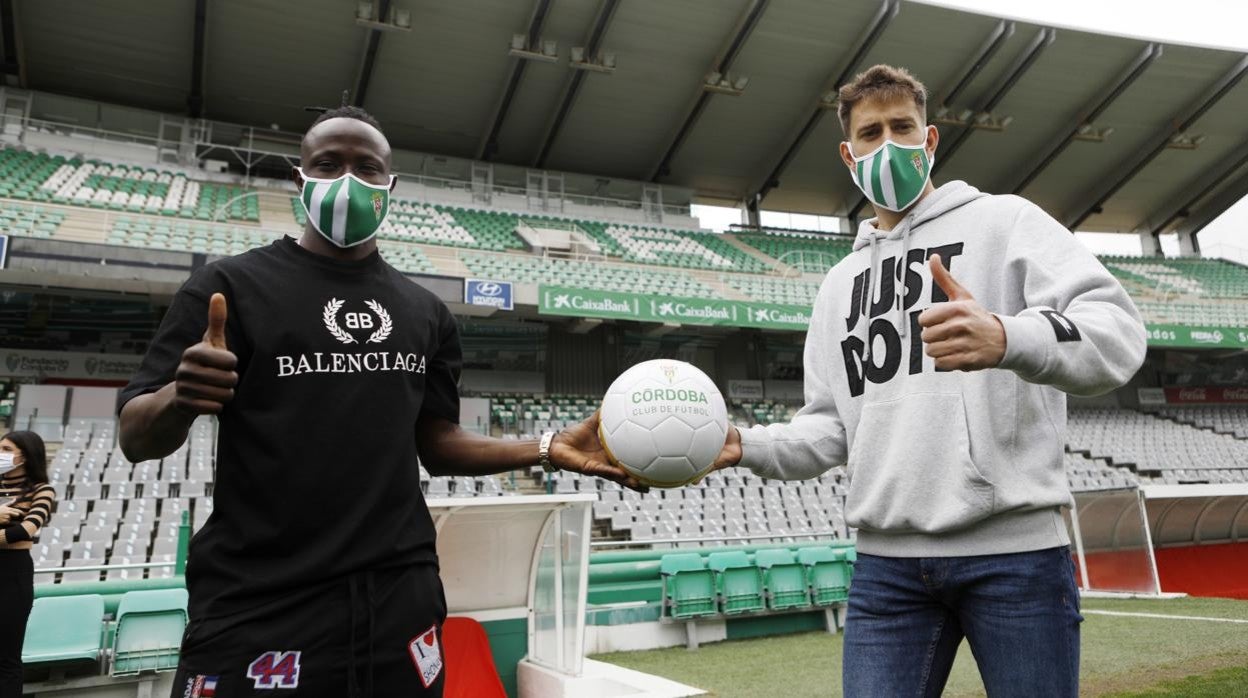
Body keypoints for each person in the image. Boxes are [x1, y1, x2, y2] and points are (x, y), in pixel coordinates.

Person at [117, 106, 639, 698]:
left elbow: (436, 444)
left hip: (400, 600)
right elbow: (136, 437)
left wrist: (543, 447)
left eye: (366, 168)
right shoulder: (228, 288)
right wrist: (180, 398)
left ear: (390, 186)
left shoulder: (425, 312)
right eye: (328, 164)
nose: (348, 180)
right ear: (300, 179)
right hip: (259, 599)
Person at [712, 65, 1146, 696]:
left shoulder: (1005, 222)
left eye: (901, 127)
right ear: (848, 152)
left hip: (1015, 558)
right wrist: (743, 446)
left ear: (930, 139)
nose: (887, 144)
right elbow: (830, 429)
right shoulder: (837, 287)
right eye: (869, 133)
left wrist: (1008, 336)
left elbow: (1117, 333)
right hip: (886, 572)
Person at [0, 431, 55, 698]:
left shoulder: (42, 490)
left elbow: (25, 530)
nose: (0, 453)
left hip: (13, 574)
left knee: (7, 657)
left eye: (6, 448)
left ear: (25, 455)